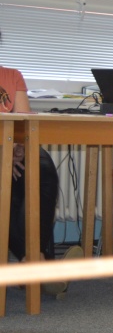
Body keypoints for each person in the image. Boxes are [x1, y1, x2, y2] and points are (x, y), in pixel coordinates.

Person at [0, 66, 65, 294]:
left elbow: (24, 121)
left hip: (13, 144)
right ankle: (38, 261)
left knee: (41, 168)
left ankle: (31, 260)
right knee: (6, 181)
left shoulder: (12, 75)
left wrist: (18, 147)